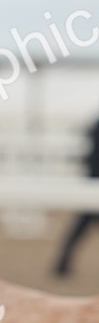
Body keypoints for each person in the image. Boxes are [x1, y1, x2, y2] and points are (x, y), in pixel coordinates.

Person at [52, 115, 99, 276]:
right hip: (93, 184)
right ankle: (61, 265)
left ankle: (62, 265)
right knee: (79, 228)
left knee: (79, 229)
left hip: (92, 183)